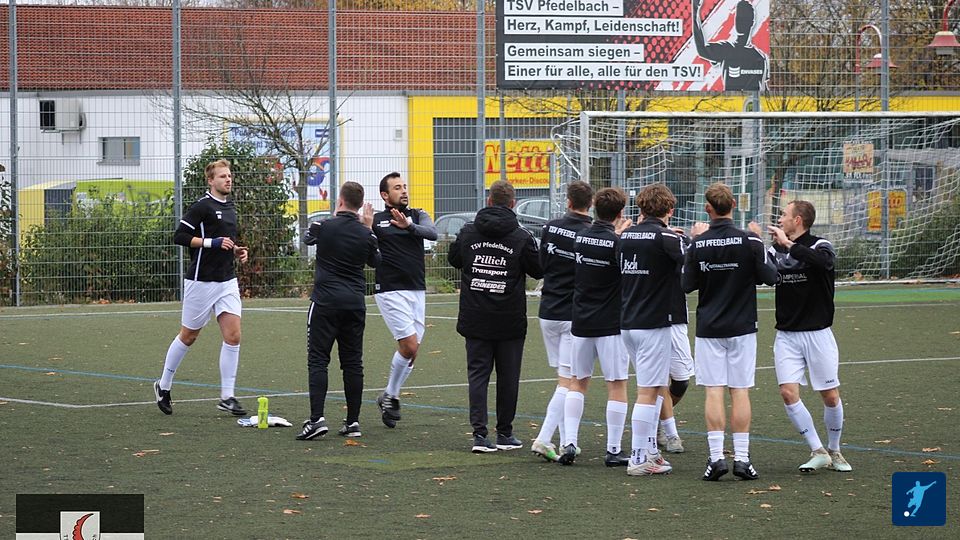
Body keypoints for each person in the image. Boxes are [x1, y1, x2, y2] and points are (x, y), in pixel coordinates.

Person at [682, 182, 778, 481]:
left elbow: (686, 284)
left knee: (713, 390)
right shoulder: (750, 241)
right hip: (742, 327)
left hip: (710, 328)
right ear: (733, 204)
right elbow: (771, 277)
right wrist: (759, 241)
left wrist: (693, 244)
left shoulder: (698, 244)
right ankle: (743, 460)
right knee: (740, 390)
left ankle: (716, 459)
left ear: (707, 209)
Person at [748, 200, 852, 473]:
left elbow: (824, 263)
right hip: (787, 335)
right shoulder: (775, 250)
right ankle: (818, 450)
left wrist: (790, 245)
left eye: (784, 215)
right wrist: (755, 243)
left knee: (830, 396)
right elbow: (761, 276)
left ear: (798, 220)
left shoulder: (820, 245)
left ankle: (835, 449)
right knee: (787, 392)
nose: (779, 219)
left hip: (818, 334)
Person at [448, 180, 543, 453]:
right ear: (513, 204)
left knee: (478, 376)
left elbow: (454, 259)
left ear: (489, 201)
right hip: (509, 318)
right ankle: (505, 433)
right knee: (508, 377)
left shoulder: (468, 231)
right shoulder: (522, 236)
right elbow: (538, 270)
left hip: (475, 316)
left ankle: (480, 435)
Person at [154, 159, 250, 417]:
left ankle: (227, 396)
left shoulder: (230, 207)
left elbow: (226, 242)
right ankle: (164, 385)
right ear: (210, 181)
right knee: (188, 336)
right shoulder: (202, 206)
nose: (228, 179)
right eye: (222, 176)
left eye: (229, 175)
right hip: (201, 281)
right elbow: (180, 236)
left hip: (227, 281)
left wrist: (237, 251)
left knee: (233, 336)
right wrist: (211, 242)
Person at [296, 181, 380, 440]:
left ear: (340, 201)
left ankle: (317, 419)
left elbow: (307, 238)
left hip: (325, 302)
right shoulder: (366, 233)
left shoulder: (323, 226)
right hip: (354, 304)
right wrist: (368, 228)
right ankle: (353, 422)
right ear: (360, 206)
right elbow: (376, 261)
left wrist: (333, 219)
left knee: (318, 360)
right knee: (353, 362)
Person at [558, 187, 633, 466]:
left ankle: (569, 443)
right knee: (617, 384)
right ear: (620, 213)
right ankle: (613, 449)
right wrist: (619, 237)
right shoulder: (617, 243)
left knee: (577, 382)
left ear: (594, 208)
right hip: (610, 322)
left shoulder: (580, 237)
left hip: (581, 319)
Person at [619, 184, 685, 476]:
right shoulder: (667, 237)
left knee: (656, 387)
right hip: (653, 323)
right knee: (647, 392)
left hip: (629, 322)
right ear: (669, 210)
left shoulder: (625, 235)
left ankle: (650, 451)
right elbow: (690, 261)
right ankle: (637, 458)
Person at [530, 181, 594, 462]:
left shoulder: (551, 226)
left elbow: (542, 264)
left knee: (564, 379)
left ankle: (569, 440)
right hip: (572, 314)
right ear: (590, 204)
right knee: (568, 383)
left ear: (568, 201)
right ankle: (544, 439)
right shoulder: (590, 233)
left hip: (548, 311)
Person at [371, 172, 438, 428]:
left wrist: (408, 226)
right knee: (409, 346)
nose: (404, 191)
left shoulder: (418, 215)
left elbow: (432, 233)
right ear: (385, 195)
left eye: (404, 186)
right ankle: (392, 396)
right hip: (389, 290)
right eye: (397, 188)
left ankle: (389, 395)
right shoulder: (377, 220)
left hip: (416, 290)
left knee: (413, 351)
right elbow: (359, 238)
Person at [692, 0, 769, 91]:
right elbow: (702, 50)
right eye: (738, 18)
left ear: (752, 22)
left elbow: (763, 85)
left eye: (744, 19)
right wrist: (695, 10)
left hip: (752, 99)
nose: (740, 22)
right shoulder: (727, 49)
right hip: (730, 99)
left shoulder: (760, 57)